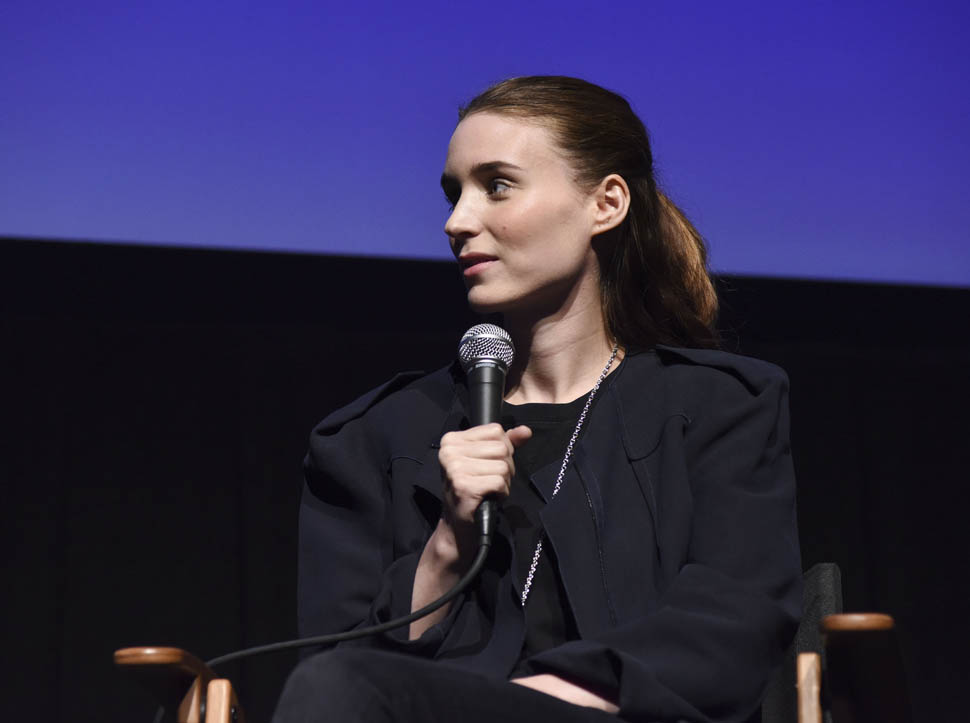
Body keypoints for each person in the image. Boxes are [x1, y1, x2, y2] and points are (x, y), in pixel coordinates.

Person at [274, 76, 801, 723]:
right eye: (454, 194)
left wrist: (527, 702)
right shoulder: (373, 438)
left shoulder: (718, 408)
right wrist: (448, 545)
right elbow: (336, 675)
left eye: (497, 185)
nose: (457, 222)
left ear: (605, 203)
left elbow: (734, 625)